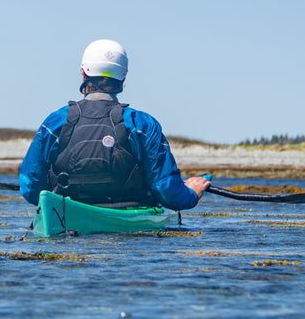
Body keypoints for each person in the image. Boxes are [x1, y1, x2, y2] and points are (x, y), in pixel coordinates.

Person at [19, 39, 211, 210]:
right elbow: (166, 191)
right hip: (128, 212)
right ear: (123, 78)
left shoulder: (54, 122)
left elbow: (30, 186)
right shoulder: (142, 124)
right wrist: (192, 193)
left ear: (84, 73)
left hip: (65, 211)